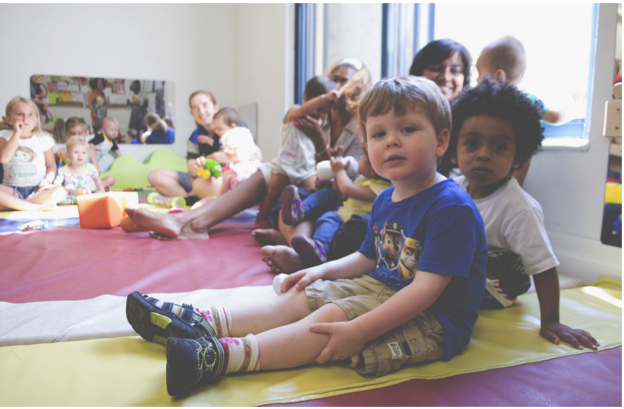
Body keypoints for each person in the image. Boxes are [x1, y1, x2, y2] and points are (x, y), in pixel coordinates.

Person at [124, 76, 487, 396]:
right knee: (307, 295)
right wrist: (321, 272)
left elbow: (425, 291)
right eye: (379, 134)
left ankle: (223, 356)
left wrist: (358, 330)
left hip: (435, 318)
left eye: (407, 130)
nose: (391, 142)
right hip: (386, 287)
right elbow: (368, 258)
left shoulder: (450, 207)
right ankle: (204, 322)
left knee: (331, 317)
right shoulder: (385, 199)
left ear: (441, 141)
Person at [124, 59, 372, 243]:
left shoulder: (361, 128)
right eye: (336, 79)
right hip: (302, 180)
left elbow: (343, 179)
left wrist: (320, 145)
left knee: (271, 177)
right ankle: (189, 222)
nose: (338, 87)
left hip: (331, 196)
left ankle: (190, 221)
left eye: (345, 80)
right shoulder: (317, 116)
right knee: (266, 171)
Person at [449, 78, 599, 350]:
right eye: (471, 143)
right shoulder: (452, 188)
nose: (483, 155)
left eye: (499, 147)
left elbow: (543, 267)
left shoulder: (518, 207)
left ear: (518, 157)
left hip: (498, 289)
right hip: (464, 272)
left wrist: (551, 321)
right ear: (452, 151)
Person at [475, 35, 566, 185]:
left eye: (480, 74)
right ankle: (514, 187)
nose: (477, 80)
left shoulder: (486, 102)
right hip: (514, 164)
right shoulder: (528, 100)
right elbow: (555, 117)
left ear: (499, 76)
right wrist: (571, 110)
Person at [277, 151, 391, 269]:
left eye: (363, 158)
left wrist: (339, 171)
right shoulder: (363, 179)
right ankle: (300, 210)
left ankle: (320, 247)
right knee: (327, 193)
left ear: (372, 172)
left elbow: (347, 189)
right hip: (341, 208)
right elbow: (341, 195)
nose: (359, 158)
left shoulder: (381, 188)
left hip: (345, 219)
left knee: (328, 217)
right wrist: (335, 178)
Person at [254, 76, 340, 228]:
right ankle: (260, 220)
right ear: (305, 97)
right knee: (272, 193)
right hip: (285, 166)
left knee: (314, 192)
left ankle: (299, 214)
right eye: (319, 109)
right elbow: (303, 110)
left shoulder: (317, 123)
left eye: (325, 112)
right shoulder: (294, 113)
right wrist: (323, 98)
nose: (320, 114)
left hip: (306, 169)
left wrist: (331, 151)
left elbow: (309, 146)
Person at [147, 91, 224, 202]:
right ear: (192, 113)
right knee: (155, 175)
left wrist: (214, 157)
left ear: (215, 107)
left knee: (213, 183)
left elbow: (254, 154)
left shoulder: (232, 125)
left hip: (221, 179)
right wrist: (197, 167)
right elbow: (191, 168)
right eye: (196, 108)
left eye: (205, 105)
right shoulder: (195, 136)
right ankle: (188, 199)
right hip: (199, 179)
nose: (201, 111)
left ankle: (192, 197)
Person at [0, 97, 66, 211]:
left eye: (30, 115)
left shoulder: (43, 138)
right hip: (11, 190)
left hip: (36, 190)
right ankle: (31, 206)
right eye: (20, 114)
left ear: (36, 120)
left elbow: (51, 165)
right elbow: (4, 159)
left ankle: (16, 205)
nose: (25, 118)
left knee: (60, 192)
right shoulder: (4, 135)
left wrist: (47, 180)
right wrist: (17, 133)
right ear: (9, 119)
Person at [53, 136, 105, 203]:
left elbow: (98, 181)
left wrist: (101, 190)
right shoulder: (63, 170)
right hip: (71, 196)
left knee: (99, 195)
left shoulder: (91, 168)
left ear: (88, 155)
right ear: (68, 155)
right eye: (76, 152)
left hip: (90, 195)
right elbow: (57, 183)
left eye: (83, 153)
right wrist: (63, 189)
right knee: (59, 195)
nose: (80, 155)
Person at [88, 116, 121, 190]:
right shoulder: (100, 137)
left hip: (93, 163)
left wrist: (122, 159)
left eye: (116, 130)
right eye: (111, 130)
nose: (114, 132)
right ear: (103, 130)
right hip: (88, 159)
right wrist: (95, 148)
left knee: (96, 175)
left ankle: (96, 187)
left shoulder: (112, 141)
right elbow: (90, 144)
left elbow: (117, 150)